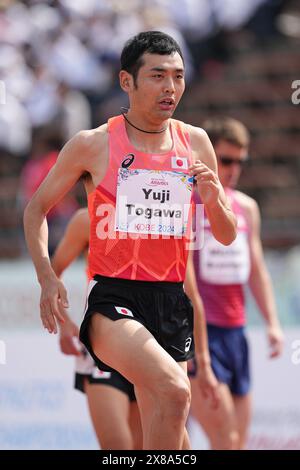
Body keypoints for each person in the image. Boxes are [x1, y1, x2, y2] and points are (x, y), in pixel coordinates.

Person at [24, 31, 237, 450]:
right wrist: (48, 277)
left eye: (178, 76)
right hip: (114, 298)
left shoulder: (196, 142)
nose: (170, 88)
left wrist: (213, 201)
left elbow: (226, 235)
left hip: (172, 300)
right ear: (127, 81)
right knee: (176, 391)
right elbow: (36, 210)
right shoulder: (92, 144)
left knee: (170, 430)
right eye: (158, 76)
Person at [189, 117, 284, 450]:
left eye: (240, 162)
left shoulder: (246, 207)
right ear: (208, 156)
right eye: (225, 160)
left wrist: (272, 323)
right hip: (199, 333)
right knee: (224, 438)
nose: (233, 169)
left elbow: (256, 269)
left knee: (236, 442)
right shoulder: (186, 201)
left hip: (236, 333)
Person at [51, 208, 142, 450]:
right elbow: (53, 271)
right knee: (118, 448)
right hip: (102, 346)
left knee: (146, 447)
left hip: (148, 343)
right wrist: (64, 323)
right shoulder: (87, 218)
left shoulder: (156, 212)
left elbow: (185, 286)